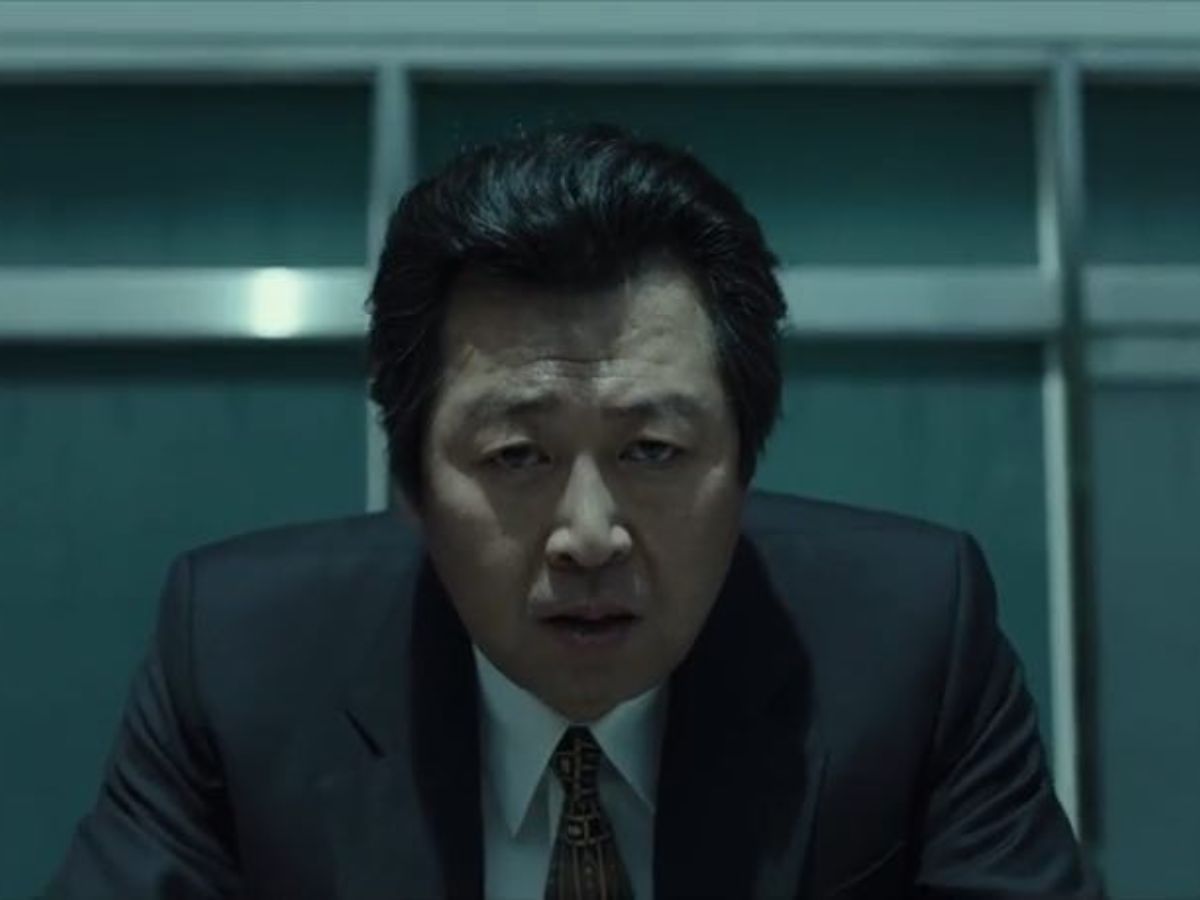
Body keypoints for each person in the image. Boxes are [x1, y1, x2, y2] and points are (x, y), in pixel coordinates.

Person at [48, 123, 1099, 899]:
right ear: (413, 487)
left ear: (744, 462)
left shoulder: (908, 644)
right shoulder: (242, 660)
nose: (589, 536)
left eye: (652, 452)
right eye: (517, 456)